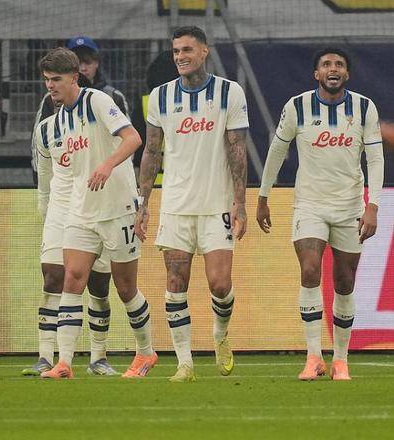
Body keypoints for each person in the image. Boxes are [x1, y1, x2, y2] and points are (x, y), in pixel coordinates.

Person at [257, 48, 384, 381]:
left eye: (339, 64)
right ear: (316, 74)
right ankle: (314, 357)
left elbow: (375, 159)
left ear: (347, 74)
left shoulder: (364, 108)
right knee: (310, 269)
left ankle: (341, 359)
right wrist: (263, 195)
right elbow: (277, 150)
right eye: (326, 64)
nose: (333, 68)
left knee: (344, 281)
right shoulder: (296, 107)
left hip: (350, 207)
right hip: (310, 205)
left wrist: (372, 206)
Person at [135, 26, 249, 382]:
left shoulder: (230, 92)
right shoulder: (161, 96)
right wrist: (143, 203)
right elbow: (151, 151)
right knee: (175, 282)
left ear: (204, 51)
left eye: (187, 49)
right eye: (176, 51)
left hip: (216, 206)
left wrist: (241, 202)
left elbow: (237, 149)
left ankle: (220, 334)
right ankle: (184, 363)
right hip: (175, 206)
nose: (180, 57)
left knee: (220, 285)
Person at [36, 47, 157, 379]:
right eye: (47, 80)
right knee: (72, 280)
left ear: (74, 77)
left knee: (125, 288)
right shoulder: (59, 120)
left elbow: (133, 139)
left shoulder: (98, 101)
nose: (50, 86)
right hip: (81, 211)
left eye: (56, 79)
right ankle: (63, 362)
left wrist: (107, 165)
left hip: (117, 209)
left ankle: (146, 352)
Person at [22, 74, 120, 377]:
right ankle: (45, 356)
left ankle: (98, 357)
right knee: (52, 276)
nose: (54, 91)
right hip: (61, 210)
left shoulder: (97, 123)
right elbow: (44, 176)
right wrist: (45, 210)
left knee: (99, 284)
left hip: (97, 207)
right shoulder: (46, 130)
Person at [30, 36, 129, 183]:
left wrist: (114, 172)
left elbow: (128, 140)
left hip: (106, 179)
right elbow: (38, 141)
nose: (83, 68)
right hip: (66, 179)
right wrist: (41, 177)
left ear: (96, 63)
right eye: (78, 63)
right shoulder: (50, 99)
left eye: (87, 62)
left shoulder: (113, 97)